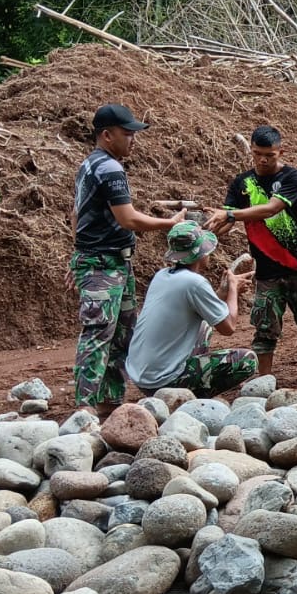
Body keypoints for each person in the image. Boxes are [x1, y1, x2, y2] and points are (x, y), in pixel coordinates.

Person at [71, 103, 185, 418]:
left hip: (110, 261)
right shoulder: (110, 168)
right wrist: (169, 224)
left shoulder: (89, 165)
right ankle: (85, 408)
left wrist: (77, 254)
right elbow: (128, 219)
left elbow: (76, 214)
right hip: (104, 263)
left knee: (122, 332)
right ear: (107, 135)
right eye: (127, 133)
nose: (132, 139)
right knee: (100, 332)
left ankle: (109, 404)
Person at [208, 125, 297, 387]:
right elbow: (225, 222)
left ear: (281, 151)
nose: (262, 159)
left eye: (269, 154)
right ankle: (265, 379)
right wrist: (212, 223)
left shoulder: (292, 177)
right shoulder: (241, 183)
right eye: (257, 153)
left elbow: (271, 208)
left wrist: (230, 215)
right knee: (265, 324)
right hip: (267, 268)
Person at [124, 221, 258, 398]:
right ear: (200, 254)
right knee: (247, 360)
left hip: (142, 376)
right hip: (165, 381)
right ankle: (191, 395)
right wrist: (233, 289)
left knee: (205, 326)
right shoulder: (195, 283)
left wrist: (223, 292)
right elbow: (228, 327)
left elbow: (200, 308)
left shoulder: (161, 276)